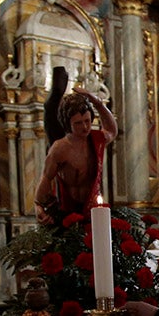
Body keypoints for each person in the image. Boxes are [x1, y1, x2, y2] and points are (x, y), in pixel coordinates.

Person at [34, 87, 117, 224]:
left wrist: (97, 102)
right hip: (67, 210)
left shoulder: (96, 139)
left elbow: (111, 130)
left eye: (87, 121)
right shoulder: (60, 148)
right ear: (68, 123)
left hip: (93, 208)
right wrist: (38, 206)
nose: (85, 127)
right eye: (78, 123)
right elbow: (46, 178)